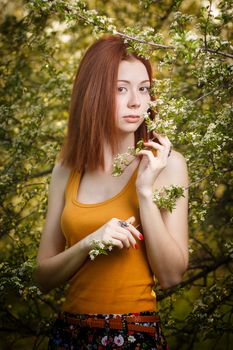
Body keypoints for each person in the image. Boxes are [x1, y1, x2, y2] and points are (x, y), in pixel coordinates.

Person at [34, 35, 189, 350]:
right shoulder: (67, 168)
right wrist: (90, 243)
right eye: (121, 89)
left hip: (135, 333)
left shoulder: (168, 165)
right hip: (69, 334)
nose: (136, 101)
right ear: (93, 93)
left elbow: (172, 276)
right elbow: (43, 278)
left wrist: (144, 192)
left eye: (143, 88)